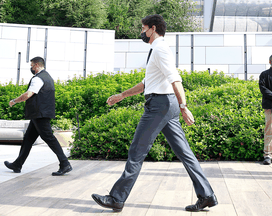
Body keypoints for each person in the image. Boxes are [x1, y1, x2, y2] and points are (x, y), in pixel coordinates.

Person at [91, 14, 217, 212]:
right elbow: (146, 84)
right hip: (165, 104)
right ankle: (207, 195)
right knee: (184, 153)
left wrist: (184, 107)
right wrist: (121, 95)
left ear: (153, 28)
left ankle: (116, 198)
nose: (141, 32)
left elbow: (176, 79)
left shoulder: (160, 50)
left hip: (159, 105)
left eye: (143, 28)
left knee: (136, 151)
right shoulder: (156, 50)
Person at [4, 57, 72, 176]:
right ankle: (17, 164)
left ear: (36, 65)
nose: (31, 68)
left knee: (49, 138)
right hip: (41, 114)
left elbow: (28, 94)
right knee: (28, 139)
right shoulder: (48, 77)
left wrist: (14, 101)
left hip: (39, 114)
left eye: (31, 65)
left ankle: (65, 164)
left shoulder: (38, 79)